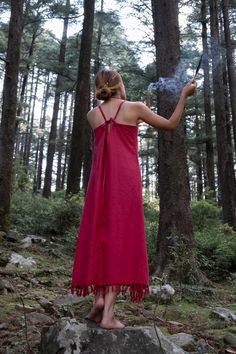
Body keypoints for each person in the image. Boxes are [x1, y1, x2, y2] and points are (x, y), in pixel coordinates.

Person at [71, 69, 196, 330]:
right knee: (120, 238)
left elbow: (113, 131)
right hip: (124, 183)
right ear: (119, 84)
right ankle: (109, 315)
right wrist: (184, 95)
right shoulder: (135, 107)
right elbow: (171, 124)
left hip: (98, 184)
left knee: (101, 236)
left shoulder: (92, 115)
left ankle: (99, 300)